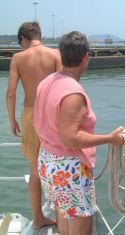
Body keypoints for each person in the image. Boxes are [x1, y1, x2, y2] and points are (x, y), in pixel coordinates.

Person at [33, 31, 125, 235]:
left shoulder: (46, 82)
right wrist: (110, 138)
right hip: (69, 170)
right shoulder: (73, 93)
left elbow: (37, 121)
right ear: (85, 57)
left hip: (49, 163)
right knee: (81, 231)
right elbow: (70, 138)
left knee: (65, 227)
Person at [6, 21, 62, 229]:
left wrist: (12, 120)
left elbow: (11, 92)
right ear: (39, 35)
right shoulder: (55, 54)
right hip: (53, 116)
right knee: (57, 163)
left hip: (31, 116)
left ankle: (38, 218)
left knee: (34, 168)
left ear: (23, 39)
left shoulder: (18, 58)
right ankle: (62, 215)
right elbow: (65, 87)